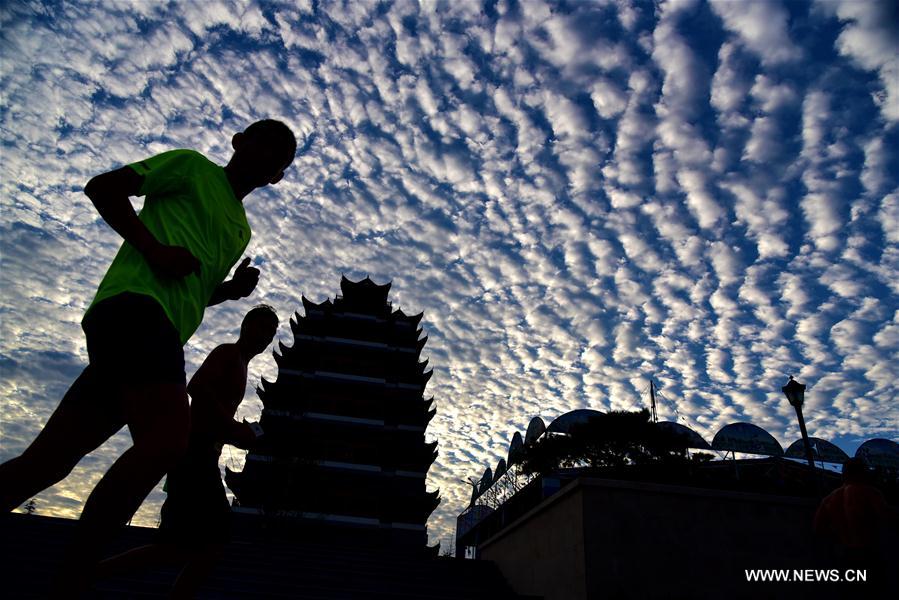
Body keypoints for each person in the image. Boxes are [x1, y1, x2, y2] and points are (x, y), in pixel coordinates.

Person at [0, 119, 296, 592]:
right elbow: (104, 189)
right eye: (263, 141)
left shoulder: (240, 231)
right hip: (135, 309)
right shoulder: (192, 167)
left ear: (277, 176)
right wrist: (153, 248)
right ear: (239, 142)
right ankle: (72, 579)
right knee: (166, 441)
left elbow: (190, 288)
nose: (268, 156)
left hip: (156, 333)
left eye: (279, 156)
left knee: (48, 462)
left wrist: (228, 292)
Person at [95, 305, 279, 598]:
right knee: (214, 539)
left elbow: (211, 414)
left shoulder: (242, 364)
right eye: (261, 328)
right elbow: (198, 388)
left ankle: (92, 574)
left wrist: (236, 436)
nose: (265, 336)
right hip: (193, 454)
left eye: (270, 332)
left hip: (202, 454)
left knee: (178, 546)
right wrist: (234, 430)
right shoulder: (228, 354)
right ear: (245, 326)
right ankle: (91, 574)